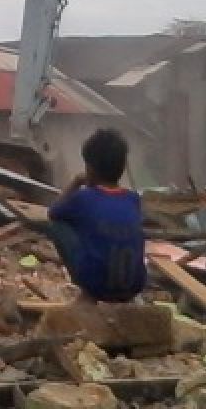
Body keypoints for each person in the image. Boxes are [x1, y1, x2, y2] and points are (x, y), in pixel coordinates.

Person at [45, 129, 145, 303]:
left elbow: (53, 212)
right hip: (134, 287)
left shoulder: (84, 198)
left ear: (90, 168)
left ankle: (87, 296)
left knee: (57, 226)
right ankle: (128, 302)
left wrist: (76, 182)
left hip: (97, 286)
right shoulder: (133, 199)